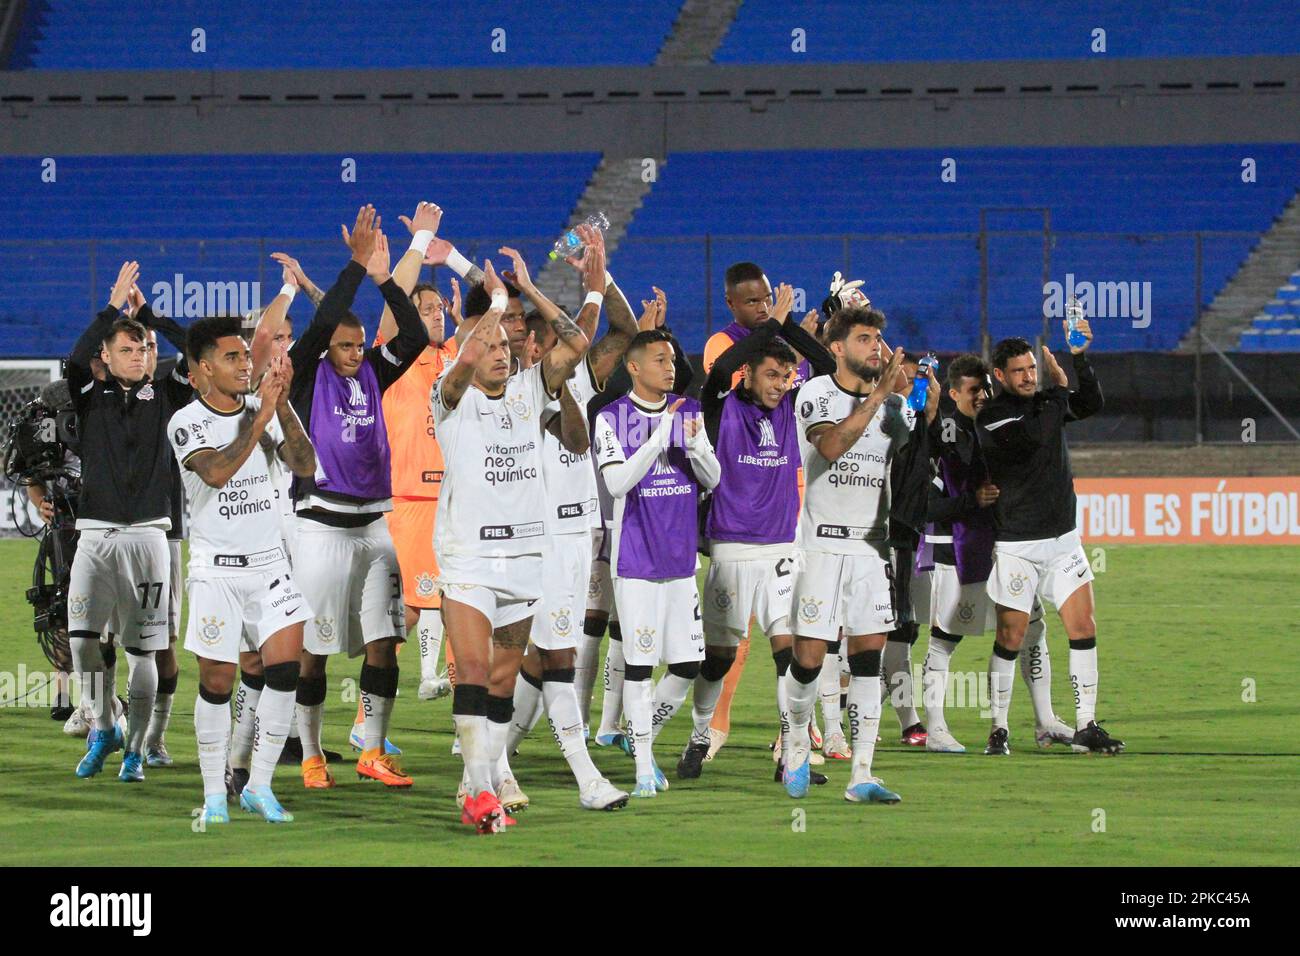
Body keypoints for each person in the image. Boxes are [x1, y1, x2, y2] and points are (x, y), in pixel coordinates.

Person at [431, 257, 592, 832]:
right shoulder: (448, 397)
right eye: (490, 344)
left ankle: (486, 777)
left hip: (526, 561)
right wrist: (490, 311)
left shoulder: (531, 389)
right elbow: (459, 368)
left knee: (501, 682)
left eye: (507, 344)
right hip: (469, 560)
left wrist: (526, 290)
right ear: (471, 346)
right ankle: (478, 793)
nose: (501, 351)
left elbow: (576, 340)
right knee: (473, 670)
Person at [286, 205, 430, 790]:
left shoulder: (374, 369)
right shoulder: (304, 373)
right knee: (313, 651)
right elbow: (321, 324)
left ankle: (372, 750)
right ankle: (312, 753)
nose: (352, 353)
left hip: (374, 526)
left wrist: (381, 275)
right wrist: (352, 264)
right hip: (320, 526)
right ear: (326, 348)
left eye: (356, 346)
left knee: (385, 643)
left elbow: (414, 334)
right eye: (342, 346)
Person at [495, 227, 637, 812]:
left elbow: (624, 333)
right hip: (526, 540)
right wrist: (536, 286)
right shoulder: (502, 393)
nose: (536, 344)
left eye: (540, 335)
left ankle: (497, 761)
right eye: (525, 335)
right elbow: (577, 338)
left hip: (577, 538)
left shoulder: (576, 377)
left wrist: (601, 283)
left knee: (551, 658)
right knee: (521, 659)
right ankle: (569, 777)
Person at [169, 319, 316, 823]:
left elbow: (304, 464)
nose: (245, 364)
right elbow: (215, 471)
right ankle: (213, 794)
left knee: (284, 671)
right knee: (218, 680)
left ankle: (261, 784)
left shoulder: (264, 409)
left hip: (271, 566)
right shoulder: (186, 421)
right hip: (216, 571)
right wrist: (260, 420)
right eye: (232, 358)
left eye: (245, 357)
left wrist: (284, 404)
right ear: (204, 368)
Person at [782, 306, 921, 804]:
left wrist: (916, 405)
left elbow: (912, 467)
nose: (876, 347)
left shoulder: (893, 408)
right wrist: (879, 397)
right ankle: (796, 742)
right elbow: (833, 448)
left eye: (879, 338)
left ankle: (861, 774)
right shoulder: (816, 393)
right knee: (809, 661)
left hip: (868, 552)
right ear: (837, 347)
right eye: (864, 338)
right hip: (818, 548)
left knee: (868, 660)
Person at [692, 311, 835, 784]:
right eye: (771, 374)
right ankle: (698, 735)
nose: (780, 383)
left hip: (781, 549)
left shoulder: (794, 406)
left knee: (789, 654)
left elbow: (828, 366)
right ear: (748, 373)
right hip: (731, 548)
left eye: (786, 375)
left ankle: (790, 754)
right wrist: (765, 328)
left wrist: (786, 328)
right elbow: (714, 372)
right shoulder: (720, 405)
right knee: (717, 659)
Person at [65, 260, 192, 782]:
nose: (138, 356)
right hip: (93, 536)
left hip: (148, 538)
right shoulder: (88, 396)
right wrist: (113, 306)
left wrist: (153, 319)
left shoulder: (168, 395)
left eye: (142, 350)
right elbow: (76, 356)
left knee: (144, 653)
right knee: (81, 641)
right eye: (126, 348)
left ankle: (136, 750)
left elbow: (199, 351)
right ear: (106, 357)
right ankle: (103, 726)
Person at [975, 324, 1124, 755]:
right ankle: (999, 728)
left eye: (1031, 368)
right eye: (1018, 371)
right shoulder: (992, 416)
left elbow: (1092, 402)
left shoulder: (1046, 404)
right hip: (1018, 544)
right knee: (1011, 635)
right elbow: (1037, 438)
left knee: (1083, 626)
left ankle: (1086, 725)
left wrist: (1079, 359)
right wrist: (1059, 391)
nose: (1027, 376)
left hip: (1062, 540)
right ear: (999, 376)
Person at [920, 354, 1077, 753]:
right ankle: (934, 728)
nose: (982, 397)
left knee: (1032, 631)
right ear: (954, 393)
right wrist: (973, 499)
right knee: (945, 638)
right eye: (973, 391)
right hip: (959, 546)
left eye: (985, 389)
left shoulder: (1002, 424)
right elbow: (929, 495)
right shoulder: (947, 431)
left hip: (1007, 543)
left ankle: (1045, 722)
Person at [593, 329, 720, 798]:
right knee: (641, 668)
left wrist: (696, 445)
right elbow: (620, 483)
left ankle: (637, 733)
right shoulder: (611, 418)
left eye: (672, 360)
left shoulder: (688, 412)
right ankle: (645, 766)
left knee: (688, 664)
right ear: (634, 366)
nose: (671, 368)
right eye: (661, 360)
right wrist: (657, 438)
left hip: (681, 559)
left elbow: (713, 478)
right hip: (636, 560)